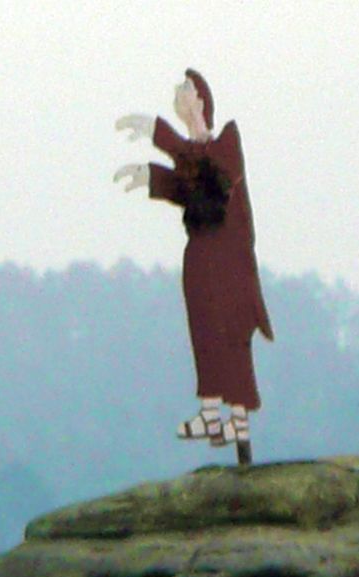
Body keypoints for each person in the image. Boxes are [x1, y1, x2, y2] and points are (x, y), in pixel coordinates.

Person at [113, 69, 273, 465]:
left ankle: (238, 418)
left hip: (230, 260)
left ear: (201, 101)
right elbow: (187, 186)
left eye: (187, 89)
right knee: (205, 330)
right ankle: (211, 412)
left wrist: (160, 135)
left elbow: (211, 171)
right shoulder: (193, 156)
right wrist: (151, 176)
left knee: (233, 332)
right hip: (201, 256)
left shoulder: (226, 142)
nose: (179, 93)